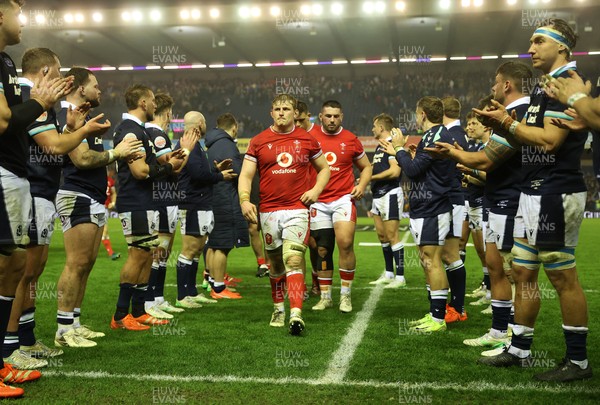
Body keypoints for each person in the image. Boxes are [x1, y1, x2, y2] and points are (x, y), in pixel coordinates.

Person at [473, 18, 592, 382]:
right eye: (530, 41)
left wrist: (507, 124)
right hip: (533, 192)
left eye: (539, 40)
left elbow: (549, 142)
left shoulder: (565, 84)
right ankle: (520, 349)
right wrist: (507, 124)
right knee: (523, 271)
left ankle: (578, 362)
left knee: (562, 277)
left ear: (562, 47)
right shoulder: (546, 87)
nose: (531, 47)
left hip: (554, 192)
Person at [4, 49, 111, 367]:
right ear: (47, 71)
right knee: (22, 273)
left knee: (30, 272)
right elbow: (53, 147)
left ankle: (25, 339)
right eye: (58, 72)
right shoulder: (31, 96)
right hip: (33, 190)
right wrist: (83, 132)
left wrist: (70, 129)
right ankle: (12, 346)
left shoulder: (33, 98)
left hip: (40, 192)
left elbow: (52, 144)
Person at [426, 61, 532, 353]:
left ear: (507, 85)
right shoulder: (513, 115)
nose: (493, 88)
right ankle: (499, 331)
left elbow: (487, 160)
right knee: (496, 268)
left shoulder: (518, 115)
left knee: (513, 273)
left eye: (495, 84)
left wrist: (451, 153)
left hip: (510, 202)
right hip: (493, 201)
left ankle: (515, 336)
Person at [0, 2, 74, 396]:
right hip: (25, 184)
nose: (23, 21)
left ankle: (19, 344)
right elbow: (53, 145)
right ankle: (11, 348)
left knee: (22, 268)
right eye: (18, 13)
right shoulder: (22, 87)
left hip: (28, 184)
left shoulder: (8, 69)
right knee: (17, 267)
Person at [54, 67, 141, 348]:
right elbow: (80, 159)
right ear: (80, 89)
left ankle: (74, 323)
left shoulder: (86, 118)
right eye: (95, 85)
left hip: (91, 195)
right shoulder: (69, 118)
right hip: (76, 193)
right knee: (76, 263)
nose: (100, 90)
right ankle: (63, 329)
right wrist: (117, 152)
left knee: (86, 264)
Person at [238, 94, 330, 335]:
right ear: (271, 113)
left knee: (294, 259)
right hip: (268, 211)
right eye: (277, 109)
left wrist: (316, 190)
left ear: (294, 113)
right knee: (276, 264)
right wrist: (245, 200)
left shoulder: (306, 139)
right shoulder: (258, 141)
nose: (281, 112)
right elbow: (246, 175)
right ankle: (278, 307)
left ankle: (296, 313)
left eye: (286, 109)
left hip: (296, 209)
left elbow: (324, 169)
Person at [110, 84, 189, 331]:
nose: (156, 105)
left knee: (146, 254)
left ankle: (138, 310)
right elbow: (140, 171)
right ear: (143, 103)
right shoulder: (130, 132)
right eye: (153, 100)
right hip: (135, 202)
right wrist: (166, 167)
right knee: (137, 254)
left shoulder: (139, 131)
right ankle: (121, 315)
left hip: (146, 202)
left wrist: (170, 162)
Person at [380, 96, 453, 333]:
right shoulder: (432, 137)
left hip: (433, 206)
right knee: (426, 259)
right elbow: (420, 169)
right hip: (425, 206)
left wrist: (400, 149)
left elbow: (411, 170)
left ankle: (438, 318)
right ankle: (434, 313)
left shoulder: (436, 136)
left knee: (432, 260)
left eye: (416, 113)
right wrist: (406, 153)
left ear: (422, 114)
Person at [309, 100, 372, 313]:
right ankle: (326, 297)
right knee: (322, 249)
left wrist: (362, 185)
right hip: (318, 200)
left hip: (342, 199)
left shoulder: (351, 139)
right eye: (328, 116)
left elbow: (366, 167)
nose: (332, 120)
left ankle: (345, 296)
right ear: (320, 117)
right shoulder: (311, 137)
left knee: (345, 243)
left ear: (342, 117)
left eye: (336, 116)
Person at [175, 111, 237, 305]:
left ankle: (191, 292)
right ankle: (183, 296)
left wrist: (216, 170)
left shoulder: (195, 145)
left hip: (199, 202)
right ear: (199, 123)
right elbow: (196, 175)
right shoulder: (190, 145)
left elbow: (200, 172)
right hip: (193, 203)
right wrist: (220, 176)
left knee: (198, 248)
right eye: (204, 122)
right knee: (189, 249)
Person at [144, 93, 189, 318]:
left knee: (164, 252)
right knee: (159, 252)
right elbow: (175, 166)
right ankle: (150, 301)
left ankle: (158, 298)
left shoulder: (154, 133)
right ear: (168, 112)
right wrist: (187, 149)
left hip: (166, 198)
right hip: (162, 198)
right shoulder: (157, 134)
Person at [205, 113, 249, 298]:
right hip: (225, 198)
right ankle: (219, 288)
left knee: (214, 244)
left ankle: (213, 281)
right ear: (234, 127)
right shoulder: (228, 144)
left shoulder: (212, 143)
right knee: (223, 244)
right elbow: (238, 172)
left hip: (213, 197)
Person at [440, 97, 469, 323]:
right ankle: (455, 305)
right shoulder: (458, 133)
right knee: (447, 254)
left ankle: (457, 307)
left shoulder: (453, 135)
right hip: (452, 198)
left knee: (451, 254)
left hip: (451, 199)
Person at [367, 113, 405, 289]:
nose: (373, 129)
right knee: (382, 236)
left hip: (390, 193)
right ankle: (389, 273)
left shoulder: (391, 144)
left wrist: (371, 177)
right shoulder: (379, 146)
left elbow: (394, 172)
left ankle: (401, 277)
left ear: (381, 128)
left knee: (392, 236)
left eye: (374, 126)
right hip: (377, 195)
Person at [102, 168, 120, 260]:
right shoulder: (97, 180)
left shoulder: (110, 181)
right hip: (98, 206)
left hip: (104, 208)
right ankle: (111, 253)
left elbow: (113, 193)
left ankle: (111, 252)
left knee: (104, 231)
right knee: (104, 230)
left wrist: (112, 203)